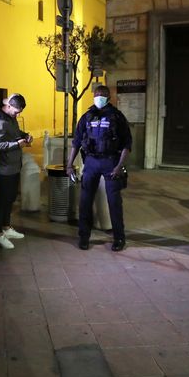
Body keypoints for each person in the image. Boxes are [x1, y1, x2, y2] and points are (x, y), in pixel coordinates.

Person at [66, 84, 132, 252]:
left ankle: (119, 238)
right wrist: (69, 165)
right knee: (85, 201)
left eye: (103, 94)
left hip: (111, 163)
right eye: (97, 94)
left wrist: (119, 166)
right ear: (93, 96)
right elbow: (76, 142)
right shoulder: (87, 116)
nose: (100, 97)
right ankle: (84, 237)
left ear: (108, 97)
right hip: (91, 163)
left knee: (114, 202)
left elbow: (126, 145)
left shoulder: (117, 116)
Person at [0, 93, 32, 249]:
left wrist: (24, 136)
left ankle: (6, 226)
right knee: (2, 200)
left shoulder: (10, 118)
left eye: (20, 112)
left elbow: (14, 133)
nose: (18, 114)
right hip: (4, 167)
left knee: (10, 198)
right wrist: (17, 145)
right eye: (16, 111)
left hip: (14, 165)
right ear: (8, 106)